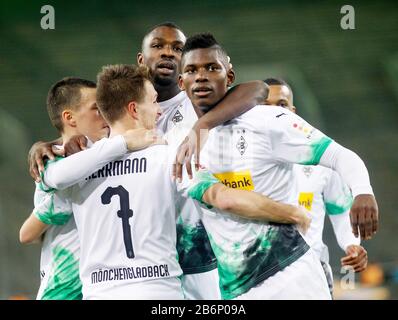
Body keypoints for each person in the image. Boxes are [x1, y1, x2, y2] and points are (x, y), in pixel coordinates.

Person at [27, 22, 270, 300]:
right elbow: (79, 142)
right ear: (141, 59)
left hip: (195, 255)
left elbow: (257, 89)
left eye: (177, 48)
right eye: (158, 46)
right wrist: (50, 143)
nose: (168, 53)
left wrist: (200, 127)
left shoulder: (196, 102)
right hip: (140, 269)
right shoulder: (115, 118)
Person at [178, 32, 378, 299]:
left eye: (212, 68)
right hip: (237, 290)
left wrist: (363, 191)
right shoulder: (181, 145)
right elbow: (223, 201)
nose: (201, 76)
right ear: (182, 82)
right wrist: (291, 213)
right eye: (192, 70)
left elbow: (341, 156)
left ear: (229, 77)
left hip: (293, 278)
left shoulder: (269, 120)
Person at [263, 77, 368, 296]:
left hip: (311, 273)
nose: (275, 113)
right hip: (259, 275)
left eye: (281, 105)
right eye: (265, 106)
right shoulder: (238, 160)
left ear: (293, 111)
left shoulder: (322, 160)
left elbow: (340, 209)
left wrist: (351, 244)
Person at [19, 77, 110, 299]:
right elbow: (27, 234)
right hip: (64, 289)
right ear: (69, 117)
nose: (106, 114)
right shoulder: (52, 164)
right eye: (97, 109)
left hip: (103, 286)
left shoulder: (104, 155)